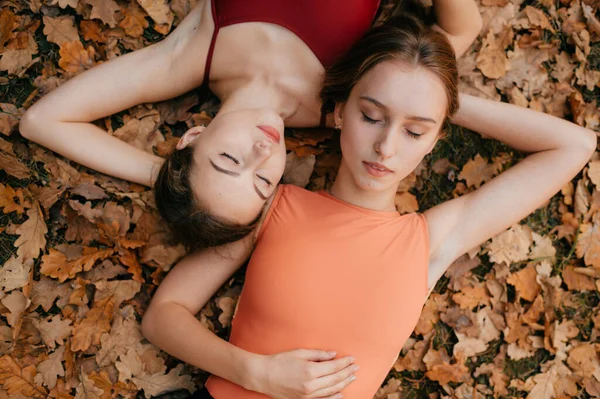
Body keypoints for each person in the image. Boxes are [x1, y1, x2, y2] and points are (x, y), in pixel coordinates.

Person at [140, 8, 597, 399]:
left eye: (415, 131)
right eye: (372, 115)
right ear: (340, 111)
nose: (385, 147)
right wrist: (256, 373)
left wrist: (438, 96)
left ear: (434, 140)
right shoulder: (272, 208)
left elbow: (573, 146)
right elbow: (163, 317)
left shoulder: (430, 240)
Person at [19, 0, 483, 251]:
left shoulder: (189, 57)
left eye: (228, 160)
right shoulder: (345, 106)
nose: (263, 154)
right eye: (263, 180)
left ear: (194, 136)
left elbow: (42, 120)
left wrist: (161, 172)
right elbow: (459, 35)